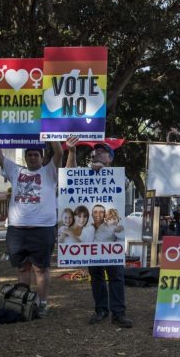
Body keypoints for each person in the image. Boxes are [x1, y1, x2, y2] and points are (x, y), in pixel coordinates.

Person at [66, 137, 133, 328]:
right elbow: (69, 175)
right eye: (96, 151)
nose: (98, 153)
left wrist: (104, 172)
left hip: (111, 240)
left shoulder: (118, 176)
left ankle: (118, 313)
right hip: (92, 240)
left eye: (103, 151)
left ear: (110, 158)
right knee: (96, 275)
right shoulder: (84, 173)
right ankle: (101, 309)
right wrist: (71, 152)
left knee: (116, 275)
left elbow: (125, 186)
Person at [0, 141, 63, 317]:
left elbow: (59, 153)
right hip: (17, 230)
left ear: (42, 157)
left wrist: (52, 133)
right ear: (25, 157)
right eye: (29, 155)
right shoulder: (16, 171)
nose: (32, 157)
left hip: (42, 229)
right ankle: (23, 301)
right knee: (23, 268)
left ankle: (43, 303)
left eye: (36, 155)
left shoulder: (49, 172)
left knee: (41, 269)